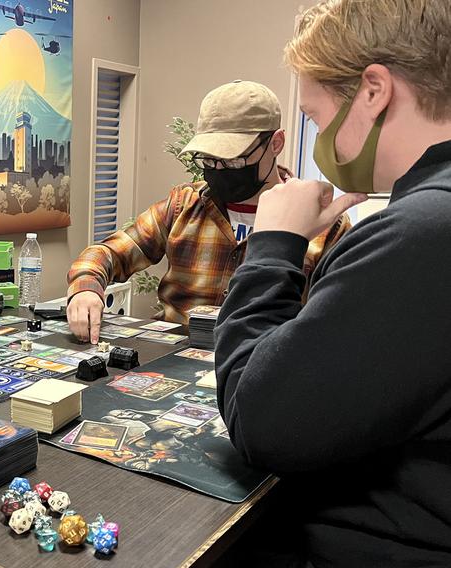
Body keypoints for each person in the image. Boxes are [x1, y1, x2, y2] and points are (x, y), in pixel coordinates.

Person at [214, 1, 451, 565]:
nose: (320, 141)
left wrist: (273, 245)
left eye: (317, 119)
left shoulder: (422, 232)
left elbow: (260, 418)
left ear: (374, 91)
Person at [66, 80, 351, 344]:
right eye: (210, 159)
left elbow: (335, 323)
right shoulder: (183, 205)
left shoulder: (323, 225)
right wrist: (86, 288)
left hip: (257, 366)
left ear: (275, 143)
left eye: (233, 159)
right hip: (170, 360)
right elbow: (110, 252)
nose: (218, 170)